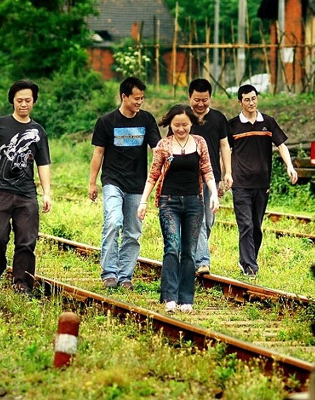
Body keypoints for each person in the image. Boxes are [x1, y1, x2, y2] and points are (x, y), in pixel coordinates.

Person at [137, 104, 219, 313]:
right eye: (176, 125)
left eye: (185, 125)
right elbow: (153, 175)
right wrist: (143, 201)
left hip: (194, 202)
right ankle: (170, 297)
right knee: (172, 248)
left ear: (191, 123)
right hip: (169, 203)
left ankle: (186, 299)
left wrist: (214, 194)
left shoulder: (199, 143)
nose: (181, 129)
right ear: (170, 125)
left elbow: (207, 170)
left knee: (189, 252)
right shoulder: (164, 145)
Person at [0, 80, 52, 296]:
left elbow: (43, 163)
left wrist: (47, 193)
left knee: (26, 241)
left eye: (28, 100)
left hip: (26, 194)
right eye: (19, 100)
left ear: (33, 101)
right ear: (12, 101)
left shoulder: (38, 131)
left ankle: (22, 284)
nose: (24, 104)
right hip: (0, 192)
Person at [89, 77, 161, 290]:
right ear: (124, 96)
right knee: (113, 221)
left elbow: (156, 148)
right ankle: (109, 273)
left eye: (142, 98)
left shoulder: (147, 119)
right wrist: (92, 183)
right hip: (113, 180)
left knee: (133, 231)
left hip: (138, 184)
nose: (139, 102)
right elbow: (98, 153)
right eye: (136, 98)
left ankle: (125, 276)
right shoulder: (107, 121)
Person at [228, 84, 297, 278]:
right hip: (240, 183)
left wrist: (289, 166)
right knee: (246, 225)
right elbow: (225, 150)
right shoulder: (232, 125)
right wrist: (226, 174)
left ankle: (249, 260)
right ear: (240, 102)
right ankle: (249, 265)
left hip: (262, 183)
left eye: (254, 98)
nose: (251, 103)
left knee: (256, 227)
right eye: (247, 100)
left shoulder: (268, 122)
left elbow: (281, 145)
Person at [187, 78, 233, 276]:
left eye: (204, 100)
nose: (200, 104)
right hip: (189, 177)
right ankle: (203, 261)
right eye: (196, 100)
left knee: (208, 220)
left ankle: (191, 255)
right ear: (189, 97)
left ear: (210, 98)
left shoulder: (218, 118)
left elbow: (224, 146)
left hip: (212, 176)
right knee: (198, 217)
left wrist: (227, 173)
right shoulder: (183, 117)